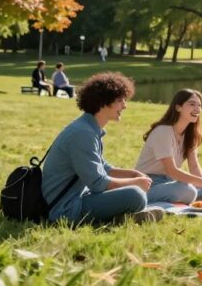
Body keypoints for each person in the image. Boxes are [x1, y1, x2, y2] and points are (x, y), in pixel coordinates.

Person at [41, 72, 163, 224]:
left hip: (79, 197)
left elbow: (103, 168)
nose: (125, 106)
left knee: (134, 192)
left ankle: (119, 217)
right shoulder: (83, 133)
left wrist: (132, 174)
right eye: (120, 100)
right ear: (103, 102)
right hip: (66, 209)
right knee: (136, 195)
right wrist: (135, 182)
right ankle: (120, 217)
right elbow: (98, 184)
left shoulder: (88, 128)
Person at [136, 89, 202, 203]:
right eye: (192, 104)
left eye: (199, 105)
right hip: (149, 183)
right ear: (178, 107)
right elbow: (172, 170)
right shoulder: (163, 131)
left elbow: (194, 166)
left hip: (170, 182)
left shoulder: (190, 134)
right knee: (187, 190)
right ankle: (188, 197)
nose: (197, 109)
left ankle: (190, 197)